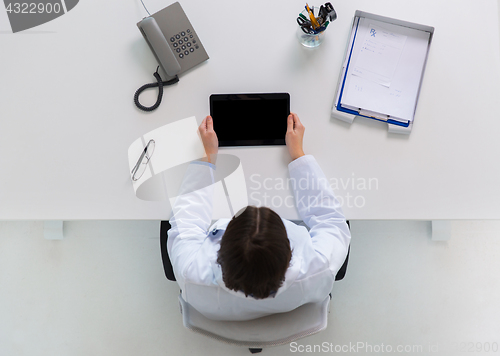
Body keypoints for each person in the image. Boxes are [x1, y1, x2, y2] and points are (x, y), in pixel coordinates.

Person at [166, 113, 351, 321]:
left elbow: (186, 219)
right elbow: (330, 219)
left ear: (221, 248)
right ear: (289, 249)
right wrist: (298, 154)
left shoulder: (191, 274)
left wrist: (208, 156)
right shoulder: (319, 267)